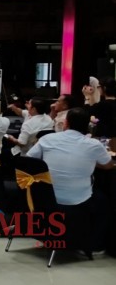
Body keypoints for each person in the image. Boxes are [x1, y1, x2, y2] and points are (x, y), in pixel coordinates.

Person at [27, 107, 113, 252]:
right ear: (87, 126)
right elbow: (108, 165)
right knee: (105, 204)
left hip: (43, 197)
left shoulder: (47, 139)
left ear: (65, 123)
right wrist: (91, 161)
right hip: (78, 199)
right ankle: (94, 245)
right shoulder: (93, 145)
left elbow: (29, 160)